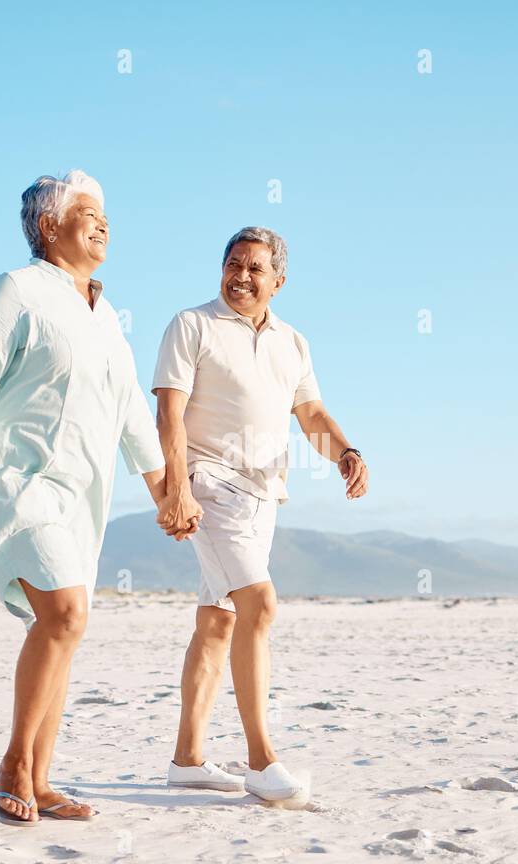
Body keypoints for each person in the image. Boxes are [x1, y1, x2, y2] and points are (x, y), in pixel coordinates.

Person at [0, 170, 168, 825]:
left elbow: (133, 412)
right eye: (87, 211)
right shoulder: (15, 291)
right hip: (12, 479)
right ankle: (12, 768)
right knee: (67, 614)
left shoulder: (106, 314)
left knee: (61, 625)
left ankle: (42, 776)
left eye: (106, 212)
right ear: (50, 227)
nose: (103, 222)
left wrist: (166, 491)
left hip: (81, 493)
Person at [151, 226, 369, 801]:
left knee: (218, 619)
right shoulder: (191, 324)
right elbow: (168, 416)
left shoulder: (293, 342)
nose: (240, 276)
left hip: (263, 493)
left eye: (254, 268)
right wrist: (176, 489)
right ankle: (261, 761)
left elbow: (312, 413)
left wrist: (345, 451)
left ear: (279, 280)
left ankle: (187, 760)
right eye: (232, 264)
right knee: (260, 605)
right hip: (208, 481)